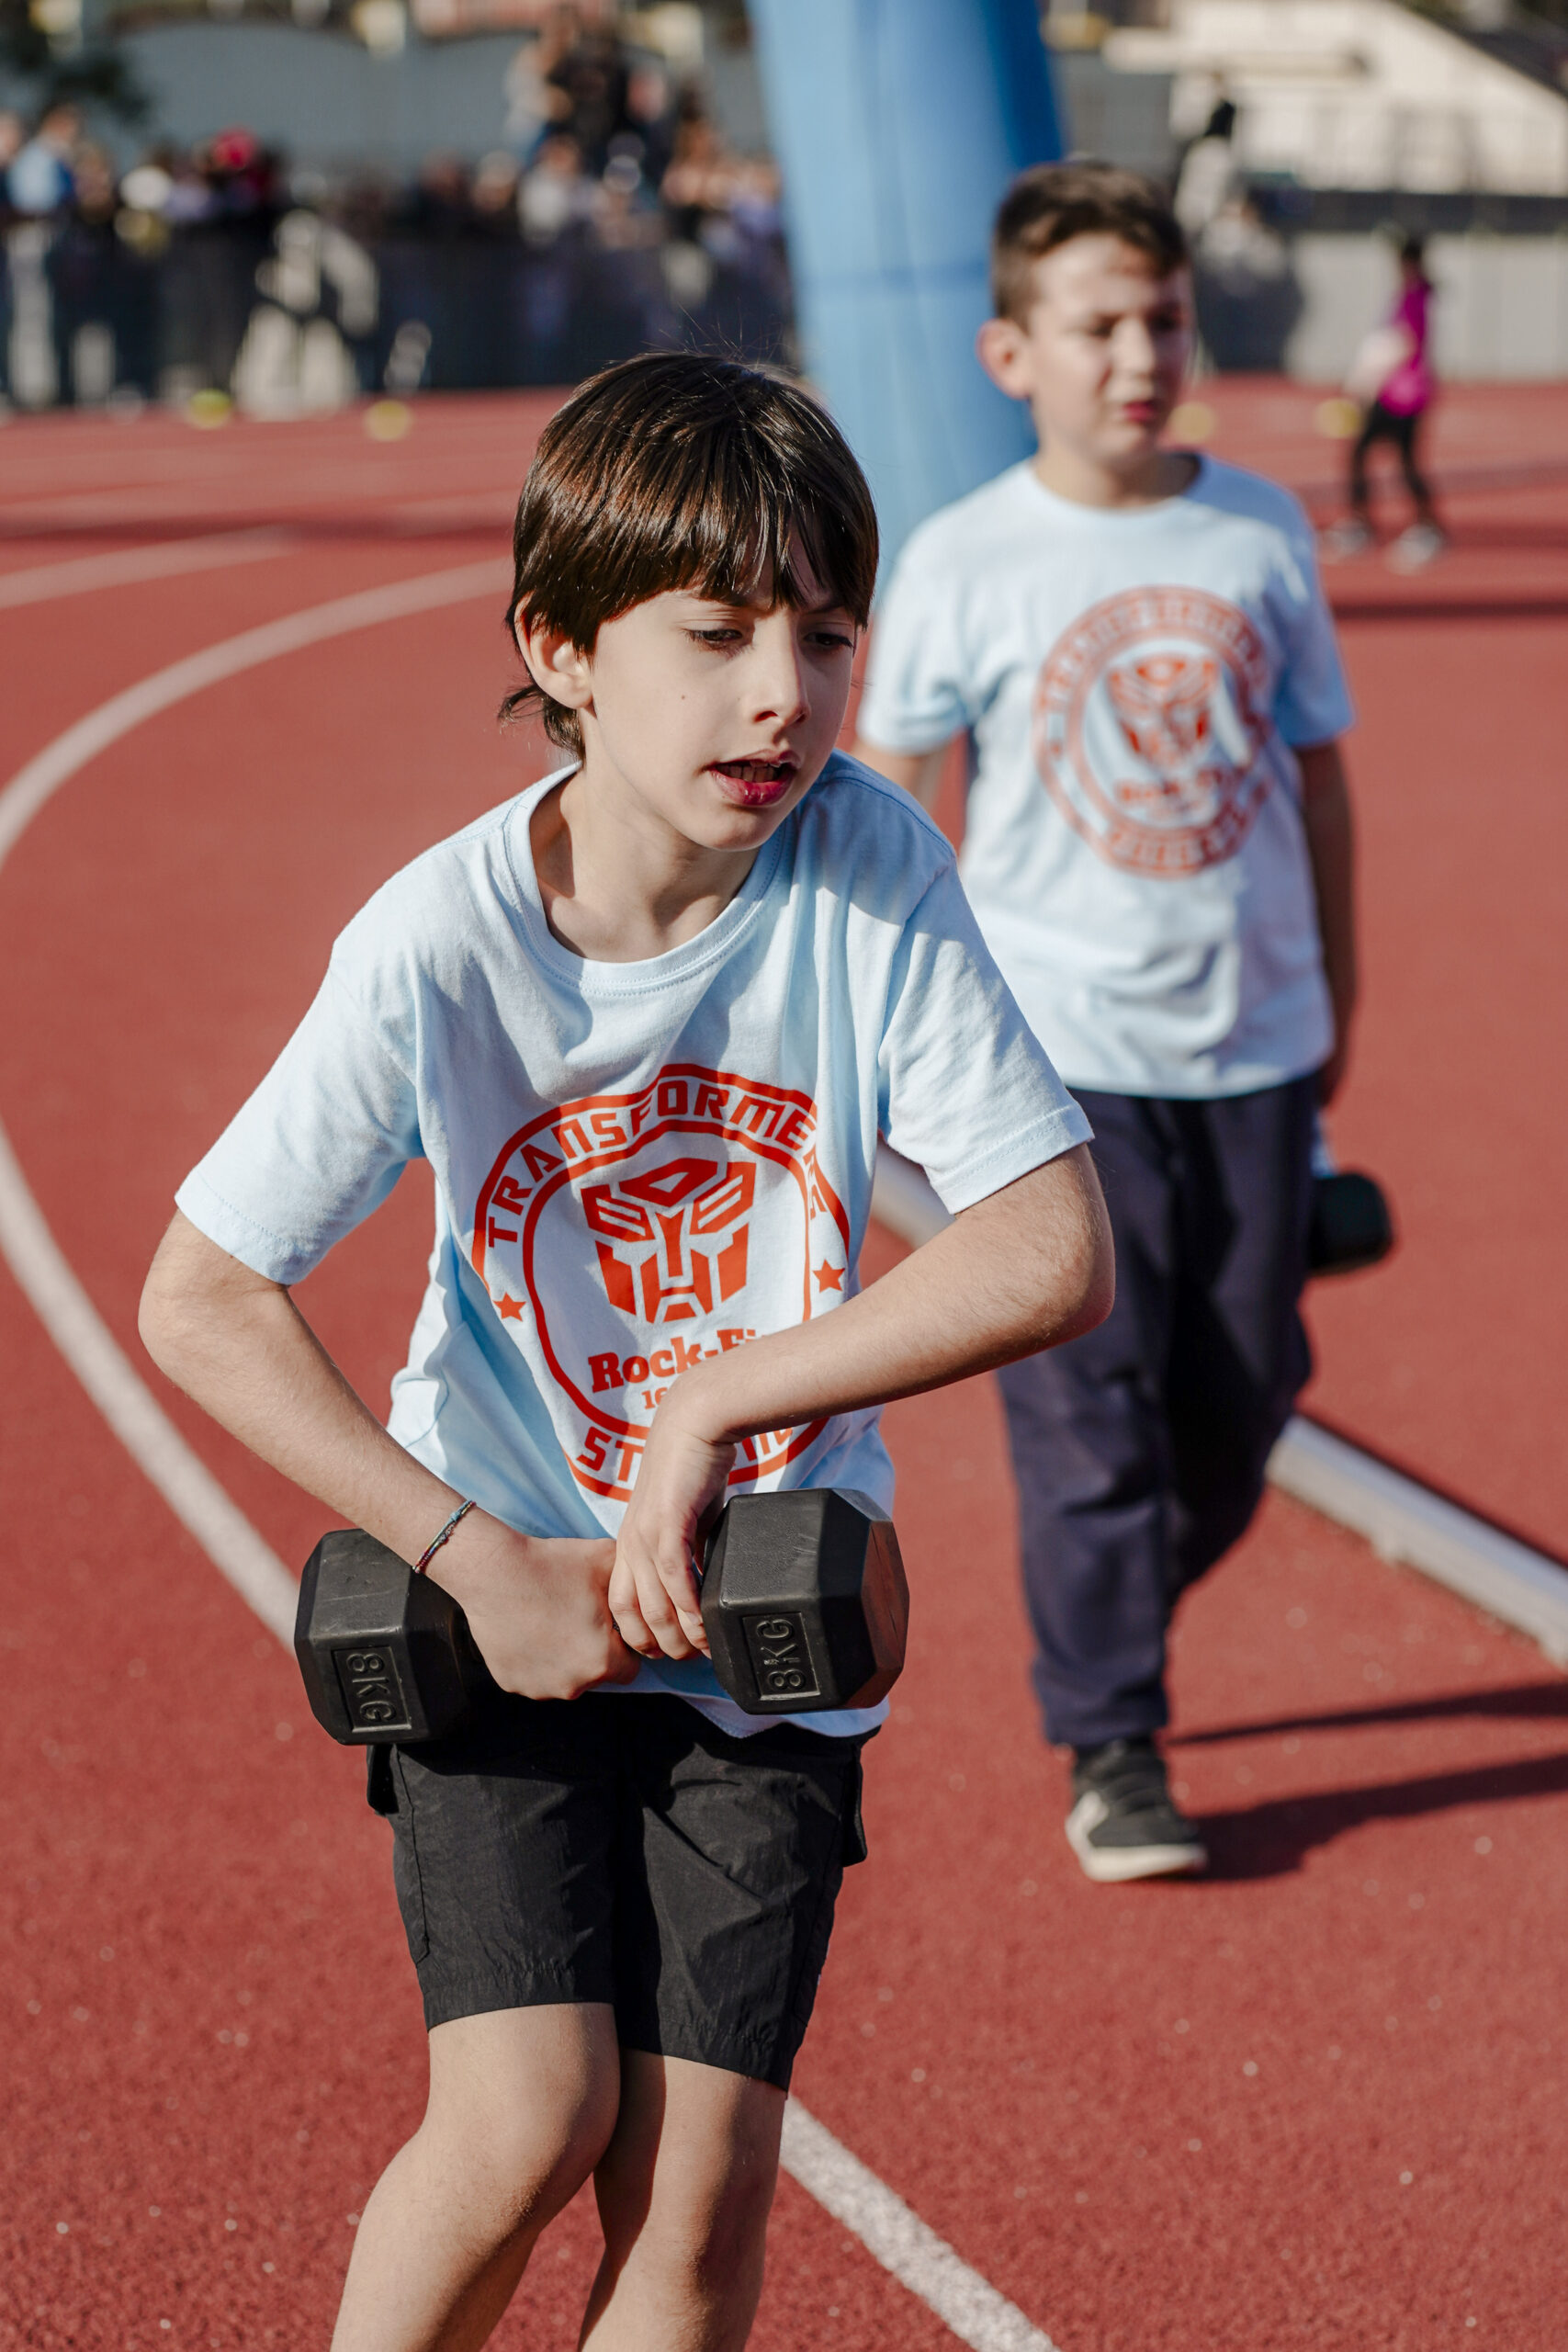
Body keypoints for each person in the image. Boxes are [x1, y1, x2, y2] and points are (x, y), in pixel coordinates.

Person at [138, 354, 1111, 2350]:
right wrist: (476, 1558)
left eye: (824, 636)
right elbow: (199, 1295)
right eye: (718, 633)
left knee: (695, 2190)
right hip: (501, 1596)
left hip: (755, 1611)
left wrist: (717, 1403)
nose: (785, 694)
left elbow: (1052, 1243)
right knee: (525, 2117)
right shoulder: (437, 941)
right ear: (560, 649)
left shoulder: (868, 870)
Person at [853, 164, 1358, 1886]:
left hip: (1256, 1048)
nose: (1138, 355)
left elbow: (1319, 783)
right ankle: (1110, 1737)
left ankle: (1115, 1608)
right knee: (1089, 1411)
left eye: (1162, 319)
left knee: (1241, 1397)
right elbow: (888, 805)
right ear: (1010, 353)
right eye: (1096, 327)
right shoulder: (962, 557)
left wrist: (1336, 998)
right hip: (1052, 1066)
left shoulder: (1260, 532)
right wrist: (880, 1038)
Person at [1325, 232, 1444, 571]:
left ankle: (1414, 526)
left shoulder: (1413, 296)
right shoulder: (1418, 294)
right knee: (1383, 457)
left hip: (1401, 394)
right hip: (1403, 392)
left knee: (1384, 457)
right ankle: (1397, 524)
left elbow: (1400, 343)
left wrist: (1363, 380)